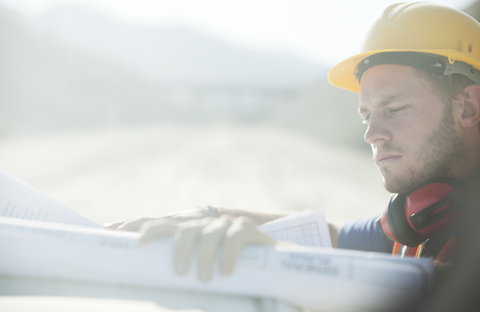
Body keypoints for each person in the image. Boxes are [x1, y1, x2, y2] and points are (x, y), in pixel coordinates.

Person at [106, 1, 480, 289]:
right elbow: (336, 238)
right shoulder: (425, 211)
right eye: (367, 116)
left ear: (469, 106)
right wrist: (210, 217)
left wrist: (278, 263)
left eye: (395, 109)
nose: (371, 134)